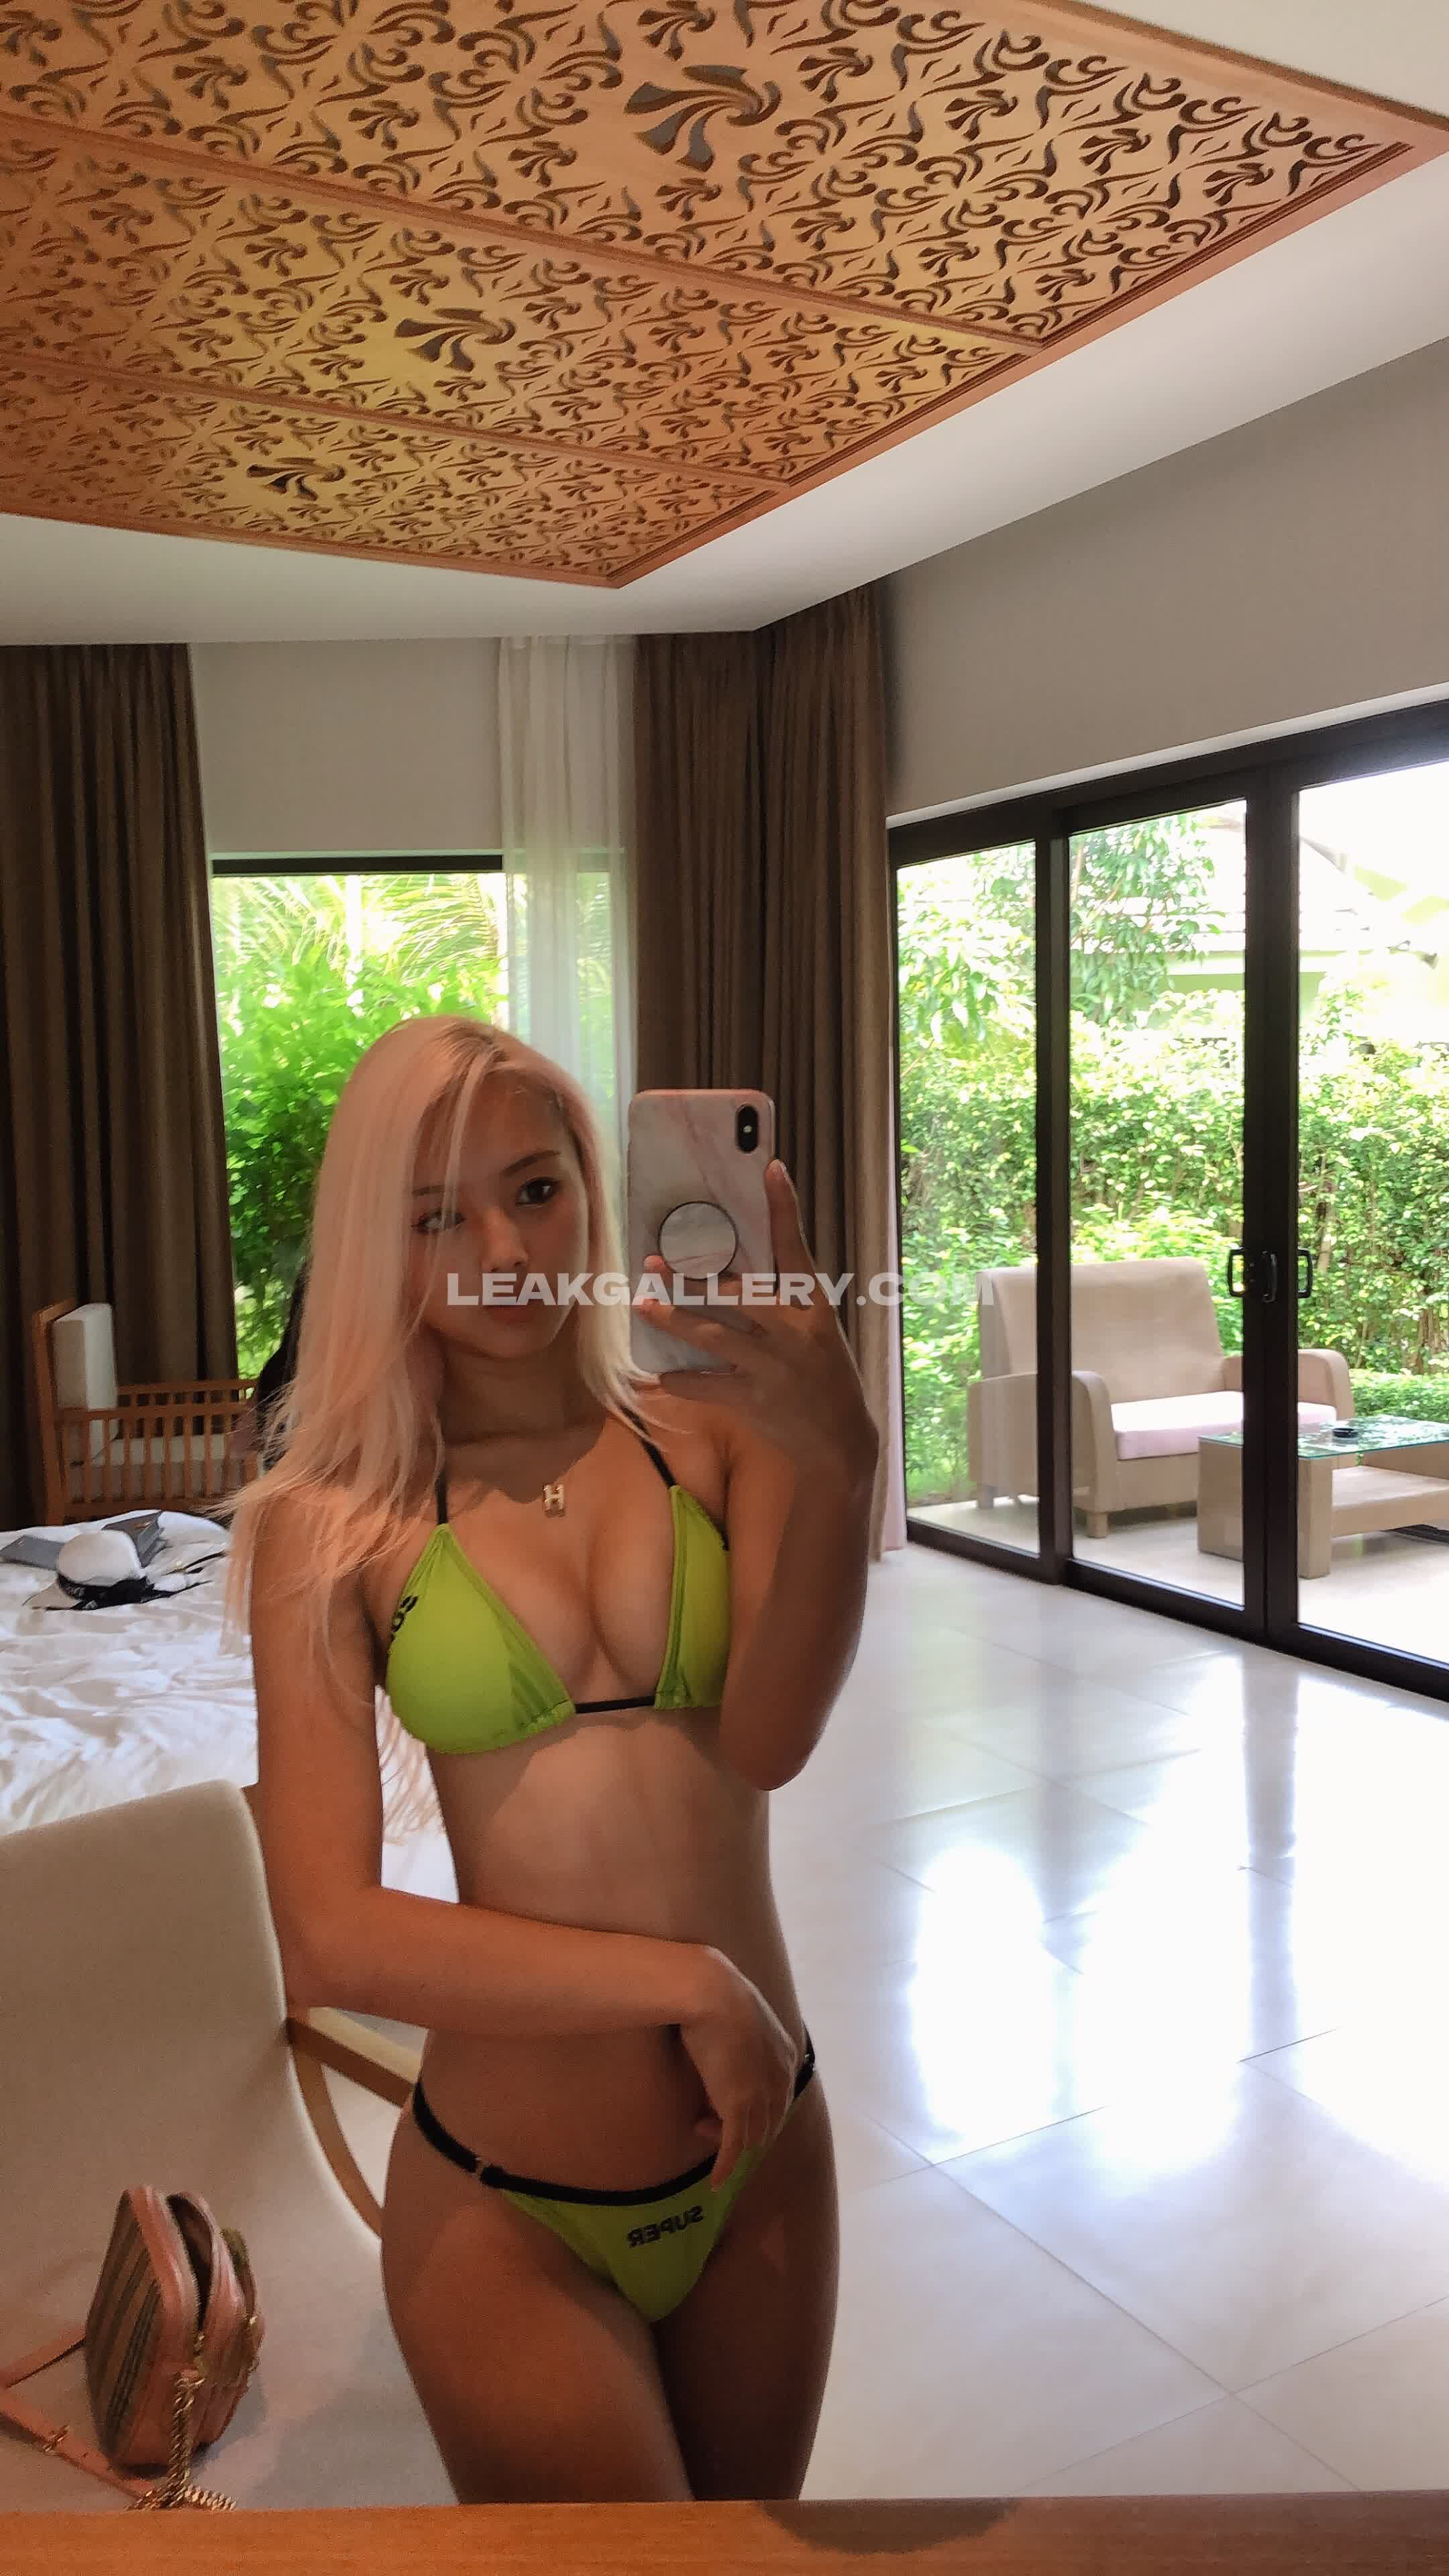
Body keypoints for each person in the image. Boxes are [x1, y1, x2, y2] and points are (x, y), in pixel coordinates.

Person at [221, 1016, 879, 2505]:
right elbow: (330, 1936)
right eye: (434, 1219)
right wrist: (686, 1985)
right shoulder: (329, 1524)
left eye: (534, 1189)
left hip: (763, 2153)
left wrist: (842, 1460)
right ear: (374, 1244)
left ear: (596, 1180)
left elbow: (769, 1740)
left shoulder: (713, 1434)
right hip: (510, 2208)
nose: (503, 1253)